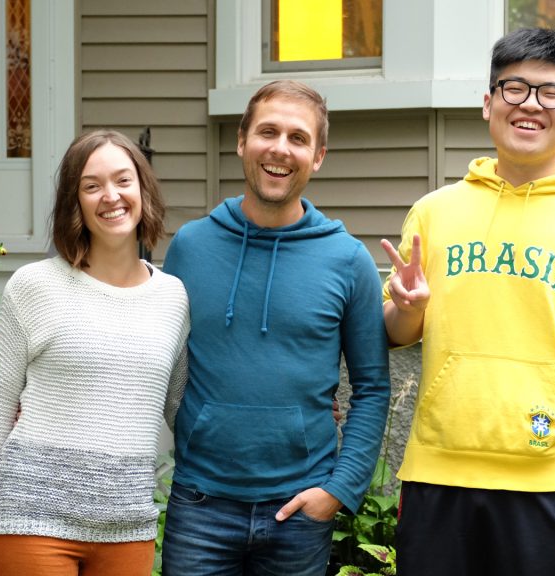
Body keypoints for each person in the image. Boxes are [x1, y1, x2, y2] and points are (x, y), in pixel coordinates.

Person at [381, 27, 555, 576]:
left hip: (553, 485)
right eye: (515, 88)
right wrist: (408, 307)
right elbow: (397, 331)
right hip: (439, 478)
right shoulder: (434, 213)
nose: (531, 104)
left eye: (552, 93)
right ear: (488, 103)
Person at [159, 80, 391, 576]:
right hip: (200, 503)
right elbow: (157, 361)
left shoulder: (348, 261)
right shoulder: (190, 247)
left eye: (298, 138)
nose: (280, 149)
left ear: (318, 155)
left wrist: (339, 489)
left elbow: (372, 387)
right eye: (268, 132)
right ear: (241, 141)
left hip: (299, 511)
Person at [0, 129, 191, 576]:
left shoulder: (173, 298)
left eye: (123, 180)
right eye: (91, 185)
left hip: (128, 528)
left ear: (143, 189)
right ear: (74, 201)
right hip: (30, 519)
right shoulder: (34, 286)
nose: (111, 196)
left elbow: (183, 409)